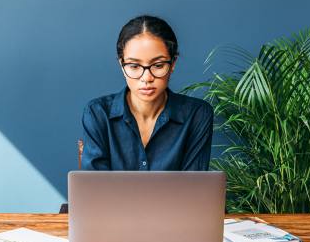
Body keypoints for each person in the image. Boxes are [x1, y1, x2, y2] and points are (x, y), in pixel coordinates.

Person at [81, 15, 214, 171]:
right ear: (122, 65)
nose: (146, 78)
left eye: (158, 65)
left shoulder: (197, 115)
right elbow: (95, 189)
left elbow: (194, 188)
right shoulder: (98, 114)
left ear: (173, 64)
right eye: (134, 66)